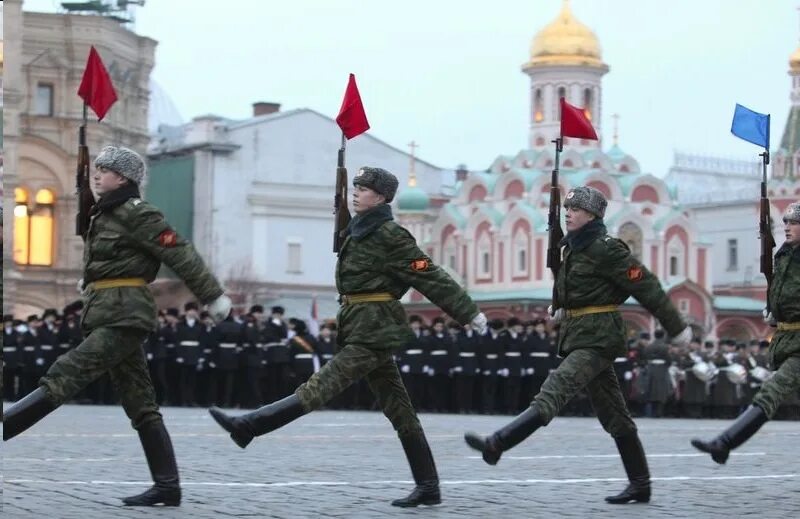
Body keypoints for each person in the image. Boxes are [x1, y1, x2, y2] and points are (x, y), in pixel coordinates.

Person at [209, 166, 487, 508]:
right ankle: (428, 486)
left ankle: (251, 425)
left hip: (375, 328)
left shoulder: (390, 235)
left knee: (321, 385)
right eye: (354, 187)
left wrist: (468, 312)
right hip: (360, 323)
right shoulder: (359, 230)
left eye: (364, 188)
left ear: (382, 197)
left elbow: (428, 274)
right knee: (400, 411)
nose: (356, 193)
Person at [2, 146, 232, 507]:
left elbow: (179, 252)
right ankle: (167, 486)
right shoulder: (104, 214)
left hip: (125, 315)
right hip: (108, 312)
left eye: (104, 170)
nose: (97, 174)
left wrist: (212, 297)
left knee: (67, 372)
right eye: (96, 169)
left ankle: (5, 426)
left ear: (122, 178)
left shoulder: (138, 213)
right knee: (141, 403)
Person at [464, 186, 691, 505]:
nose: (568, 213)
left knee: (555, 388)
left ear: (593, 215)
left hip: (598, 337)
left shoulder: (606, 248)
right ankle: (640, 484)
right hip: (579, 332)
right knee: (615, 416)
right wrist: (560, 304)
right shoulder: (573, 247)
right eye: (566, 208)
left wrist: (676, 327)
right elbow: (566, 281)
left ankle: (499, 443)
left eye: (575, 209)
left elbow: (646, 285)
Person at [692, 201, 800, 463]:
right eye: (785, 221)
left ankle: (725, 442)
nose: (786, 226)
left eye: (794, 222)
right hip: (787, 339)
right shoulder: (783, 254)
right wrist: (774, 310)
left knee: (772, 390)